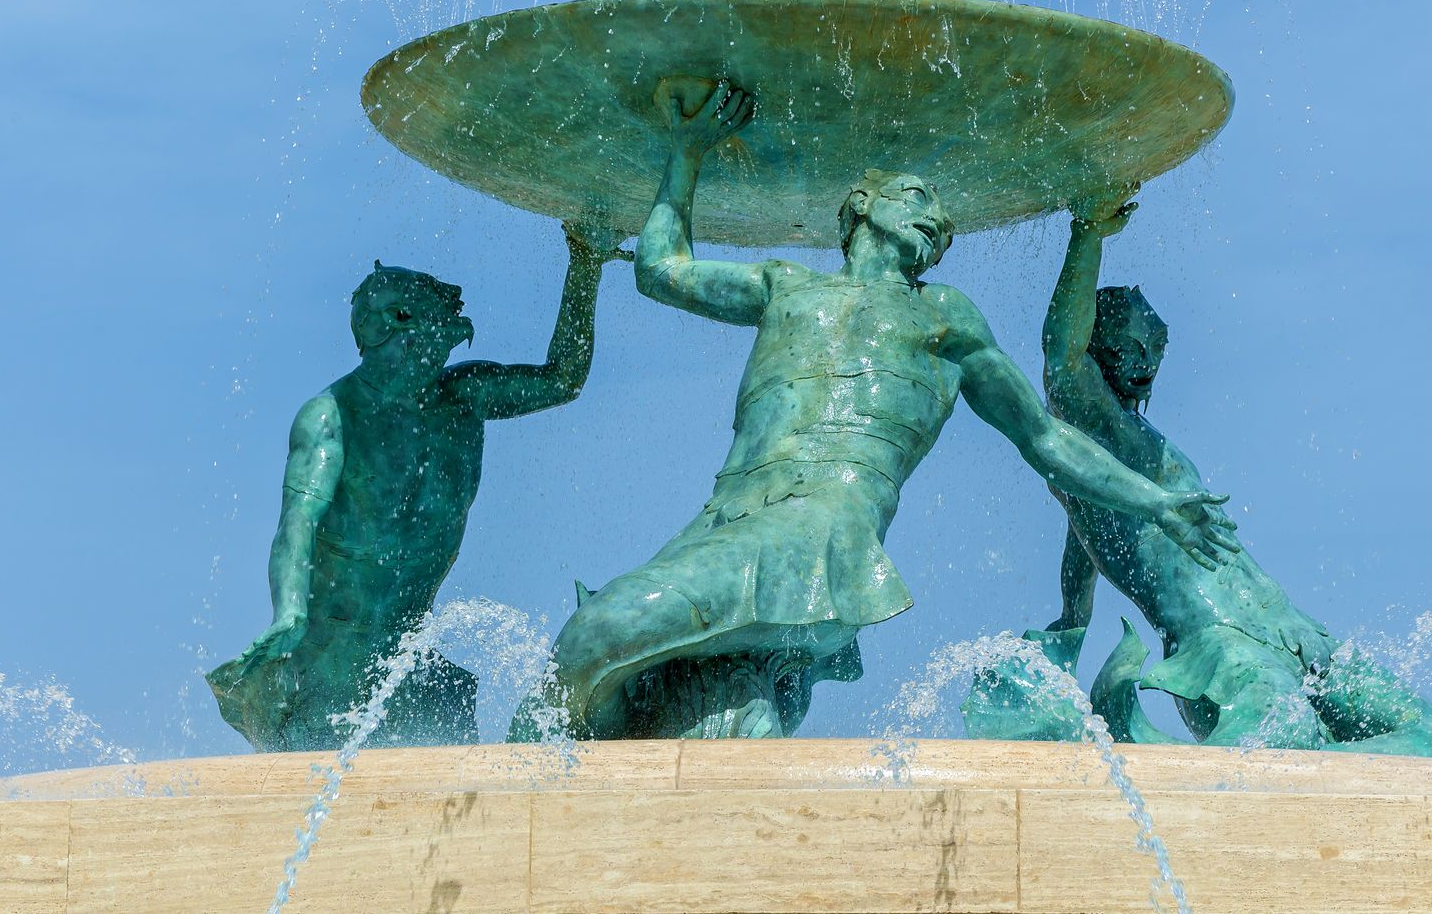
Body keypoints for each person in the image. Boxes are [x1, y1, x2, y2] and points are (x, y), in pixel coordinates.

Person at [511, 80, 1239, 741]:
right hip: (723, 524)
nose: (942, 219)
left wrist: (1158, 500)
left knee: (590, 638)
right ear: (863, 202)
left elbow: (1046, 437)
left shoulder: (943, 318)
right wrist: (686, 150)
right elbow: (659, 270)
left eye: (944, 215)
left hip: (820, 531)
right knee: (624, 704)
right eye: (921, 198)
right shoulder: (783, 284)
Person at [1031, 189, 1432, 755]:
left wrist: (1072, 615)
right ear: (1098, 345)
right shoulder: (1097, 430)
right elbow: (1060, 362)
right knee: (1277, 746)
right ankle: (1176, 783)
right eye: (1132, 346)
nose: (1146, 363)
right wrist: (1087, 235)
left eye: (1157, 348)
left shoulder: (1113, 463)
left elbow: (1085, 542)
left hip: (1298, 633)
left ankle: (1204, 772)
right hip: (1221, 648)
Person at [208, 222, 629, 750]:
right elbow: (297, 525)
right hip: (325, 675)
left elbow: (565, 378)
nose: (450, 336)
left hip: (411, 664)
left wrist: (584, 266)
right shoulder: (331, 418)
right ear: (389, 327)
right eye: (433, 323)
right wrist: (288, 613)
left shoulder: (464, 397)